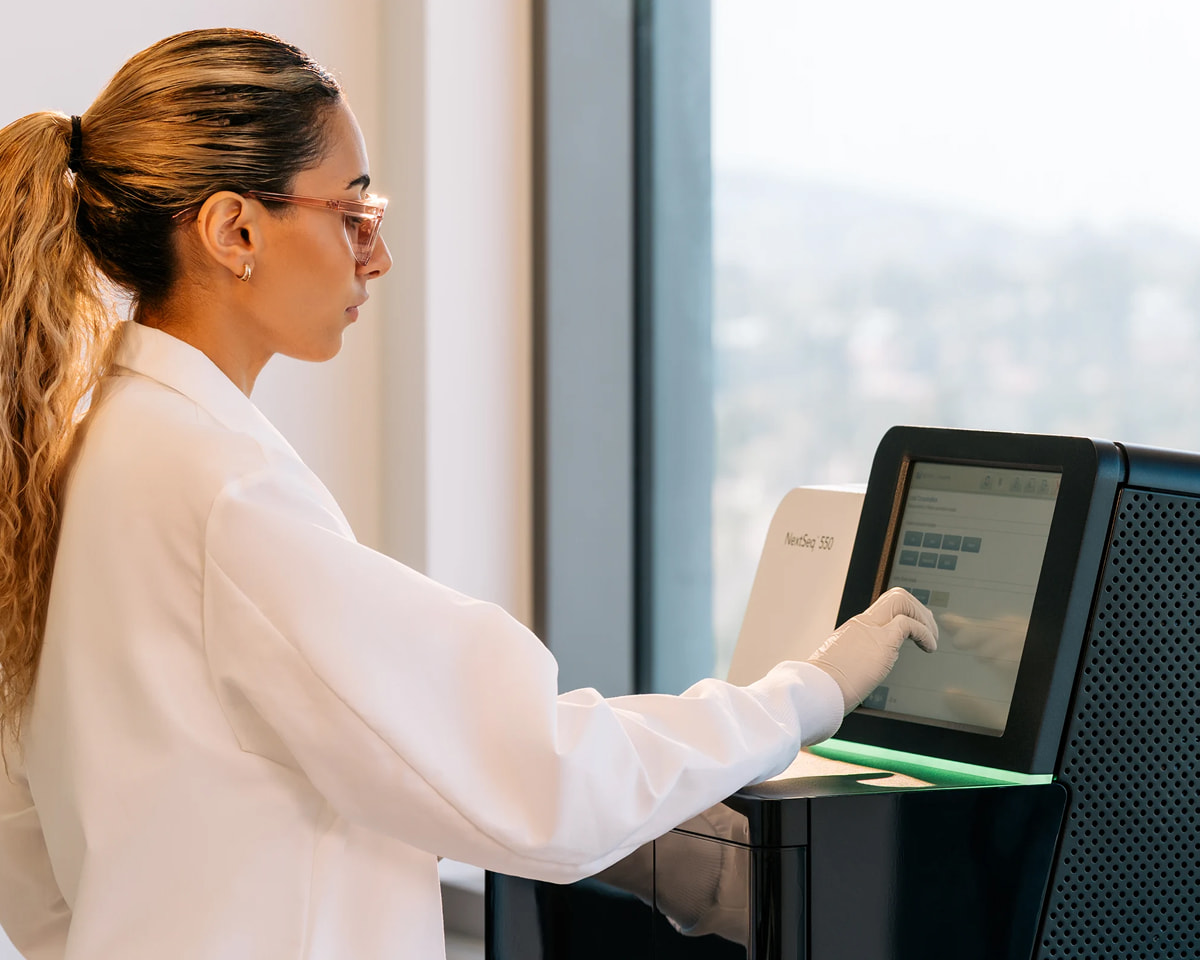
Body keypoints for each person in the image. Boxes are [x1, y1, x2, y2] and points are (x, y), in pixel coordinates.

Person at [0, 28, 937, 959]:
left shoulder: (80, 457)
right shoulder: (222, 493)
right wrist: (806, 693)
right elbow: (538, 776)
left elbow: (26, 847)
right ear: (233, 229)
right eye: (353, 214)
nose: (377, 257)